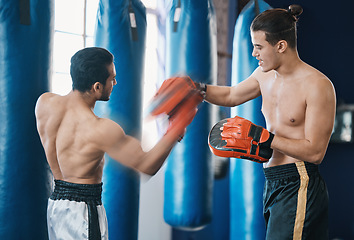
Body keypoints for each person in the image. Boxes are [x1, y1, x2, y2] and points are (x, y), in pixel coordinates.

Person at [35, 47, 199, 240]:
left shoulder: (44, 103)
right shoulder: (100, 129)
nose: (115, 82)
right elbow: (147, 165)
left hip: (56, 206)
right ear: (97, 87)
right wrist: (175, 129)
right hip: (83, 214)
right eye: (112, 79)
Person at [204, 5, 335, 240]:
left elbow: (315, 152)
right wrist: (197, 90)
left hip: (299, 183)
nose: (254, 54)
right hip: (273, 183)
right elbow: (231, 95)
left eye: (258, 47)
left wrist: (268, 138)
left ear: (281, 46)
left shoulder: (317, 85)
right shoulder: (263, 75)